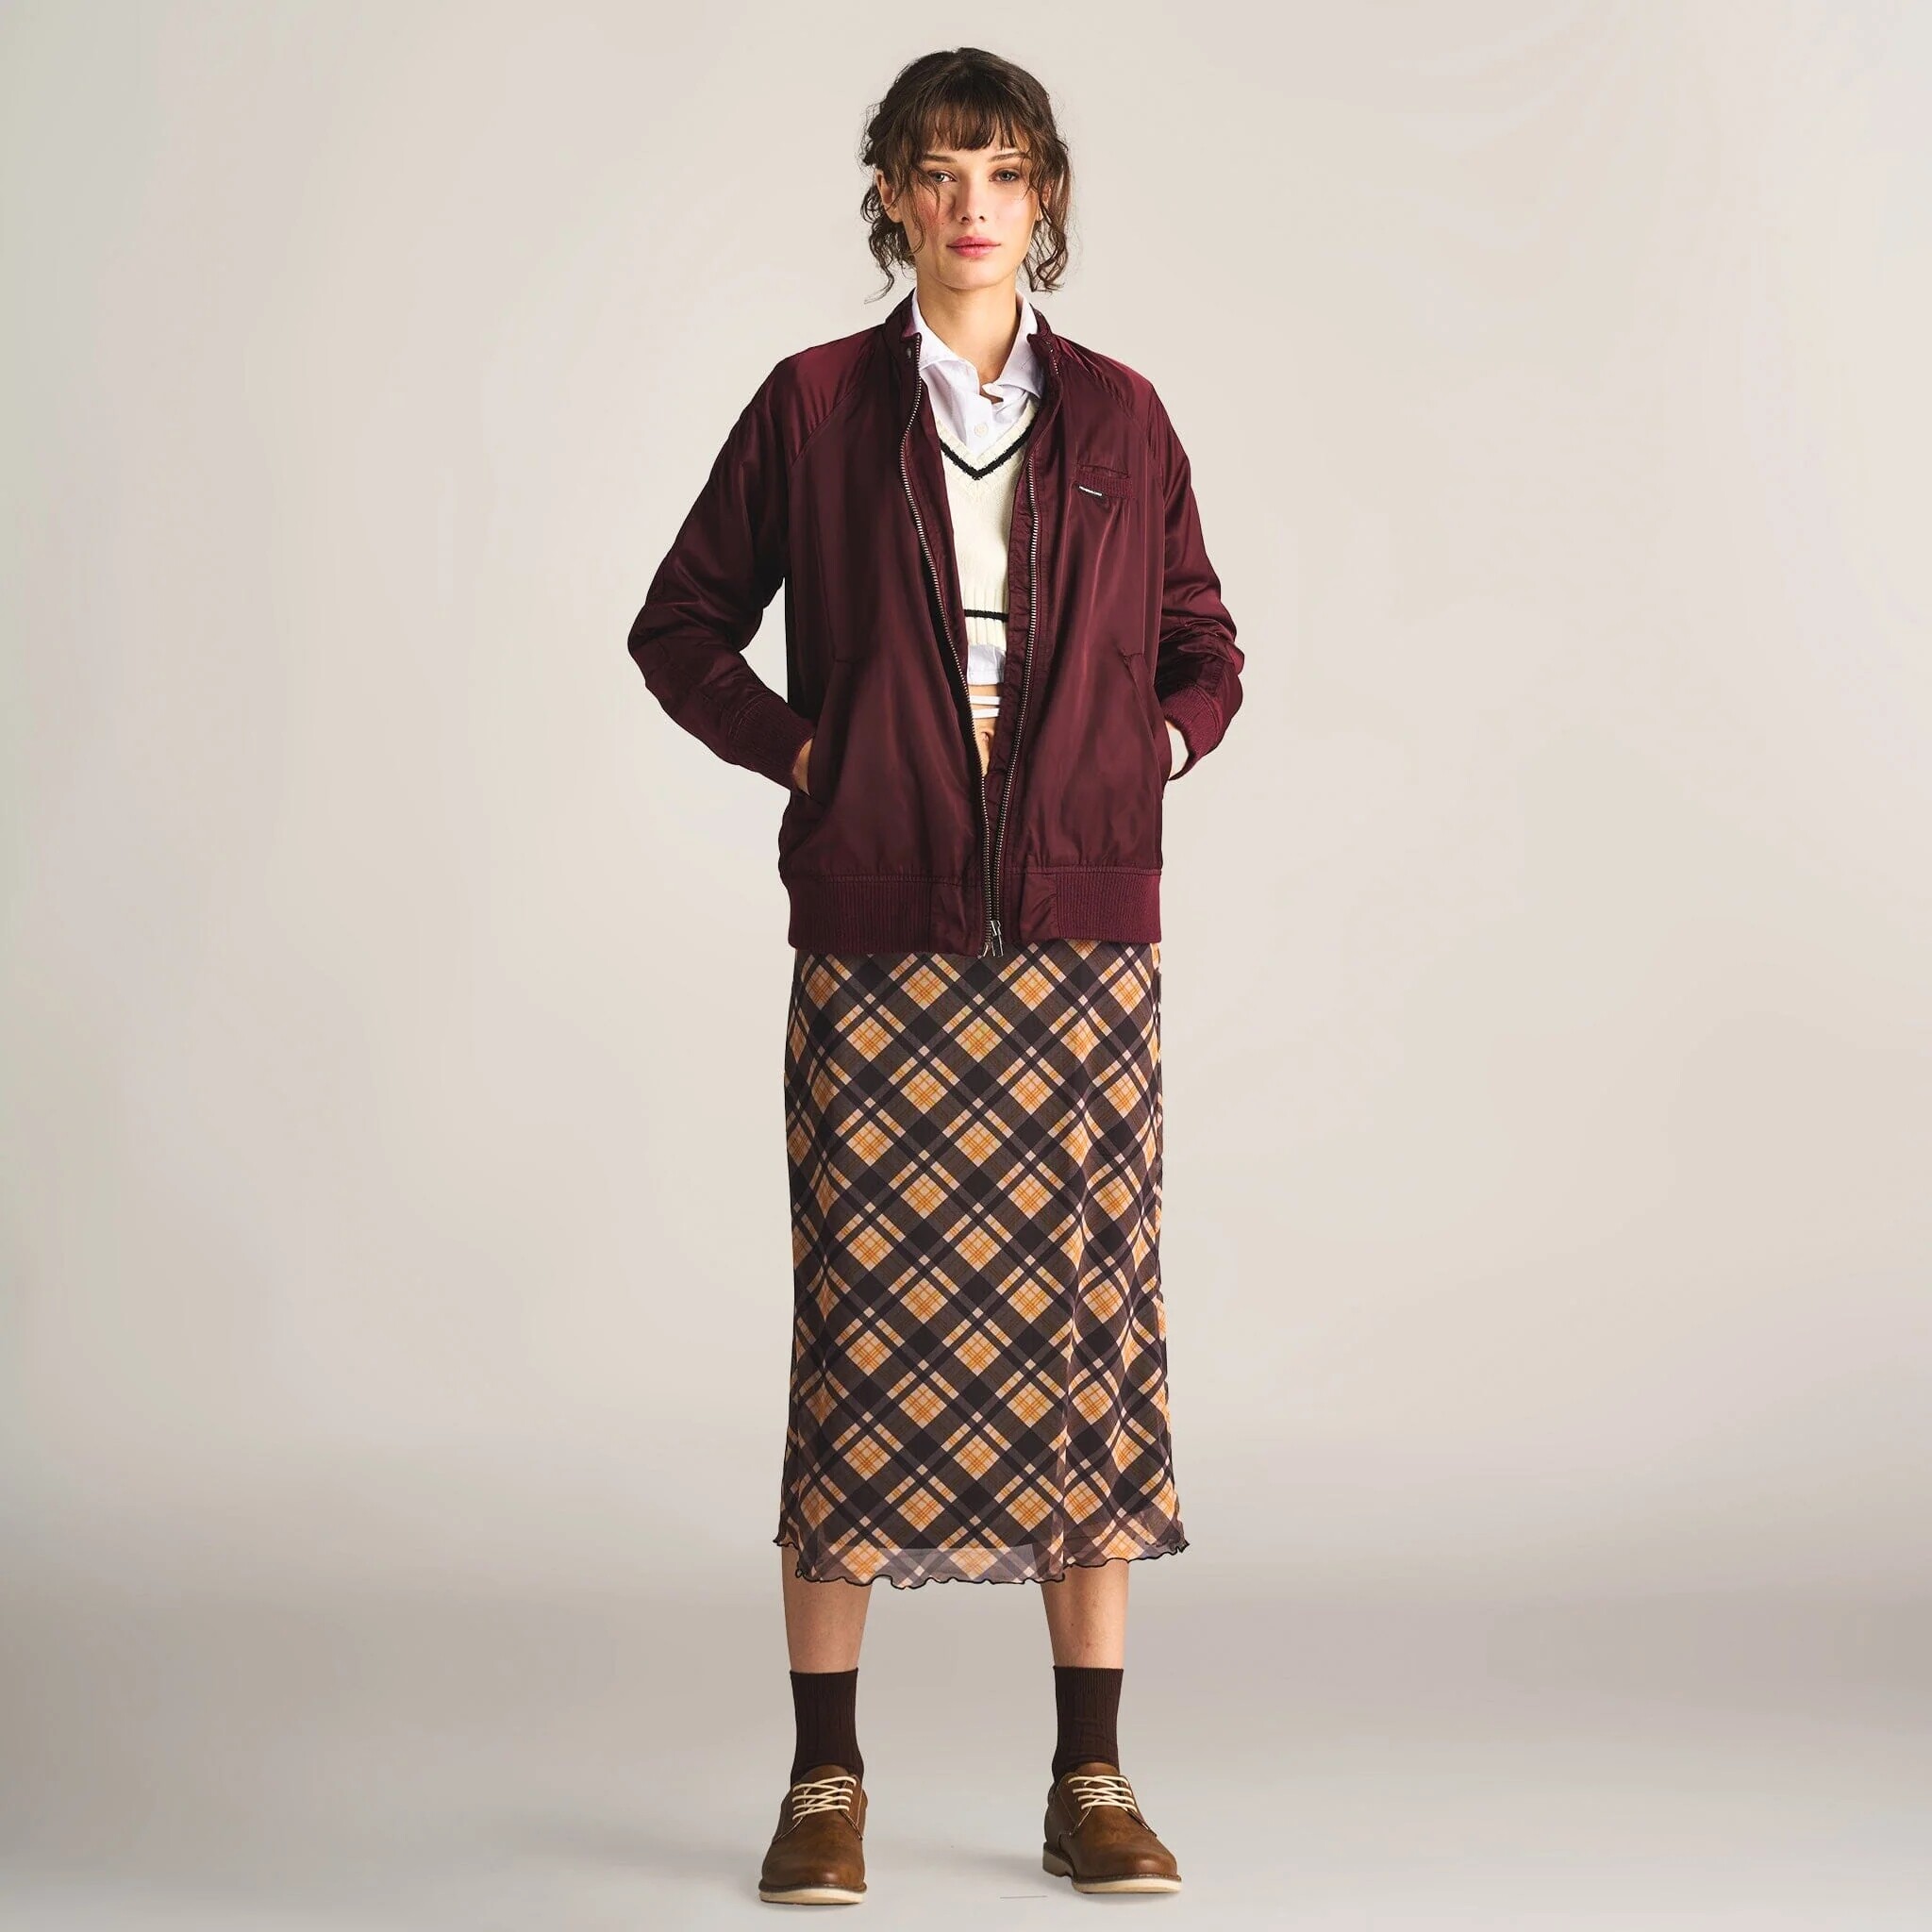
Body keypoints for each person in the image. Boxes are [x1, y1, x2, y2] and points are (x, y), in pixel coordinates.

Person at [627, 46, 1242, 1906]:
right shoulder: (816, 408)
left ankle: (1089, 1777)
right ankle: (825, 1784)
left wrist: (1150, 752)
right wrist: (807, 751)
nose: (972, 202)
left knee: (1087, 1345)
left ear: (1045, 197)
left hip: (1077, 946)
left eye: (1003, 169)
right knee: (855, 1350)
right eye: (936, 170)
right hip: (879, 937)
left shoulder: (1122, 416)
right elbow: (680, 624)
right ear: (891, 197)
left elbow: (1205, 644)